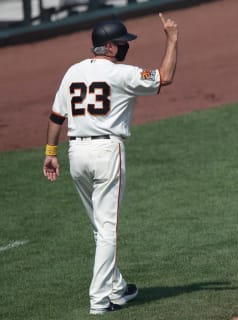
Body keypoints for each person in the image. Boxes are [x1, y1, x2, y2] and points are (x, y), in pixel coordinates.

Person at [42, 14, 178, 315]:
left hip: (75, 153)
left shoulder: (72, 72)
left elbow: (56, 117)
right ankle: (100, 300)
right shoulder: (121, 74)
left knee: (98, 227)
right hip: (106, 151)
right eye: (122, 43)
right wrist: (172, 39)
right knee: (107, 229)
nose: (126, 47)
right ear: (110, 47)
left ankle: (117, 287)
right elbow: (164, 76)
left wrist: (50, 152)